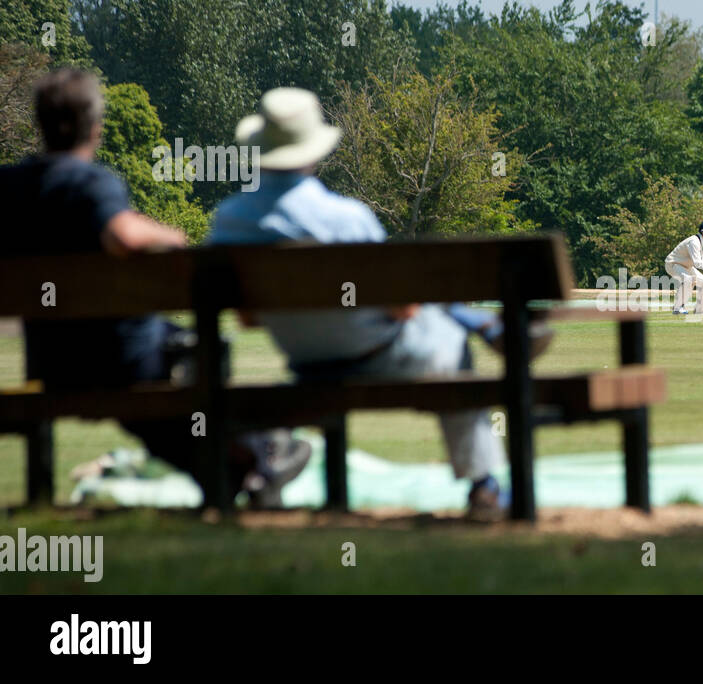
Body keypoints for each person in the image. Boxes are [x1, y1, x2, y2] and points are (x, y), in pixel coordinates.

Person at [0, 68, 309, 507]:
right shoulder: (90, 183)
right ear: (95, 128)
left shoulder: (9, 187)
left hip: (51, 362)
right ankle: (249, 460)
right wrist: (171, 237)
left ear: (41, 123)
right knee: (194, 356)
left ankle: (244, 463)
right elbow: (123, 236)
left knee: (163, 394)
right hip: (118, 361)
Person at [205, 87, 509, 519]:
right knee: (448, 340)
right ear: (313, 151)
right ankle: (485, 487)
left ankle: (477, 322)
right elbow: (401, 309)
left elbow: (249, 317)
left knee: (436, 314)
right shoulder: (347, 218)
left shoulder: (229, 221)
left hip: (304, 359)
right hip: (377, 355)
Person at [664, 222, 703, 315]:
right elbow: (697, 263)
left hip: (686, 265)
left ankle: (701, 308)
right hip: (673, 264)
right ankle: (678, 307)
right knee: (689, 279)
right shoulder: (694, 242)